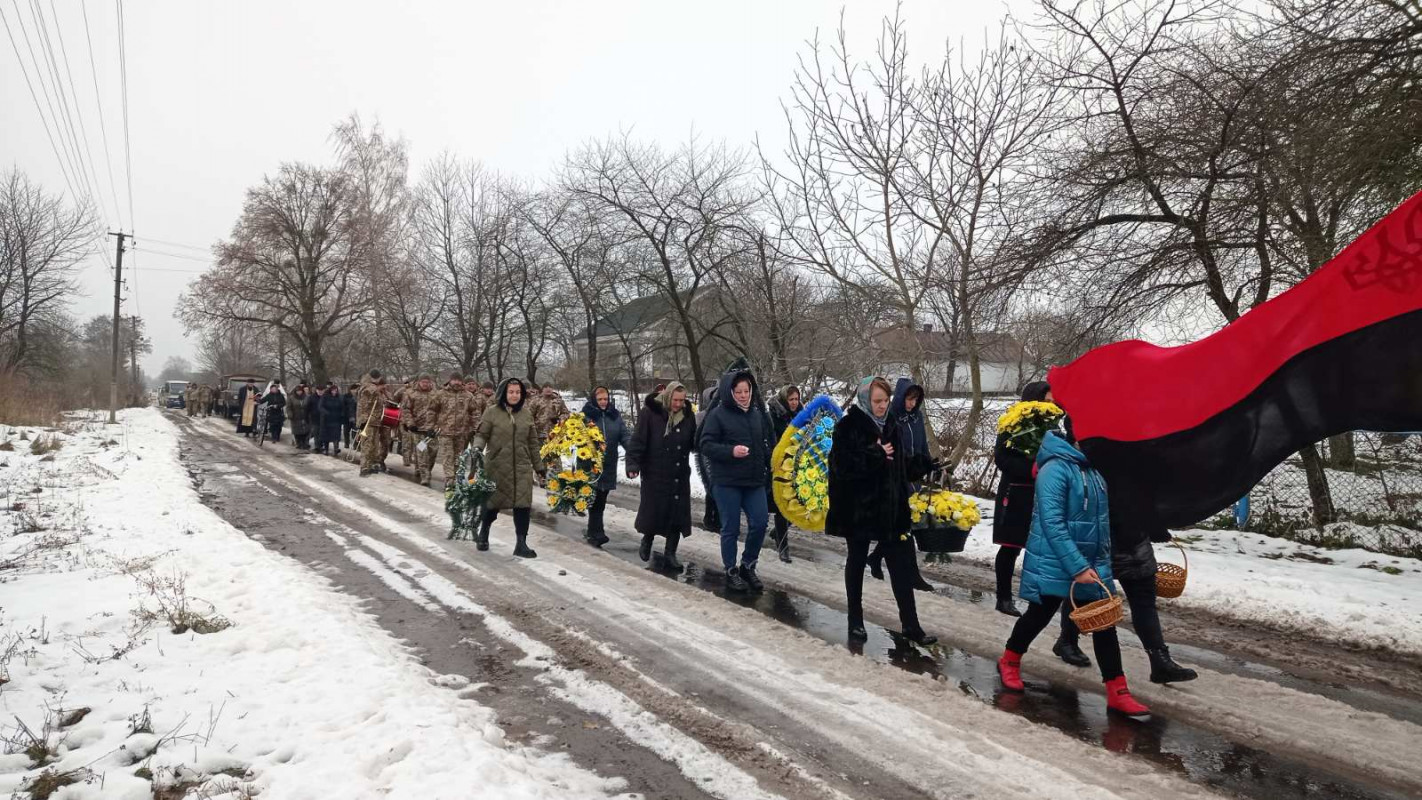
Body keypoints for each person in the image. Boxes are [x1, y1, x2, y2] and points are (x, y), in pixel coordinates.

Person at [997, 422, 1152, 720]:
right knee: (1038, 615)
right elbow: (1052, 524)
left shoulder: (1094, 470)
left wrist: (1101, 558)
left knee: (1103, 624)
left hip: (1092, 564)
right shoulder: (1054, 470)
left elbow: (1101, 520)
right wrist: (1077, 567)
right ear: (1077, 435)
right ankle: (1010, 660)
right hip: (1056, 560)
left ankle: (1117, 691)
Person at [827, 377, 940, 646]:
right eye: (877, 401)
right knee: (856, 561)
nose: (882, 406)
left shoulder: (892, 424)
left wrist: (923, 464)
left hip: (891, 508)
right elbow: (840, 466)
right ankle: (855, 620)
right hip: (859, 509)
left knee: (901, 566)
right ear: (865, 399)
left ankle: (911, 626)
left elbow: (899, 466)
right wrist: (873, 454)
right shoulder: (848, 426)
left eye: (886, 400)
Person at [992, 383, 1090, 668]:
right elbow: (1002, 457)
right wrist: (1032, 468)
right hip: (1018, 492)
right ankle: (1003, 596)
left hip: (1045, 495)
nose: (1052, 403)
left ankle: (1064, 632)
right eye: (1048, 399)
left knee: (1045, 554)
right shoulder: (1014, 423)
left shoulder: (1058, 426)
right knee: (1011, 546)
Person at [698, 366, 774, 592]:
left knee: (760, 523)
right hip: (727, 481)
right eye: (739, 391)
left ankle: (748, 566)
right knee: (730, 527)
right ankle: (731, 570)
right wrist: (731, 451)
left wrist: (772, 463)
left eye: (746, 391)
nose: (743, 395)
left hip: (753, 481)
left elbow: (764, 446)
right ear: (730, 392)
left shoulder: (757, 415)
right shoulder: (718, 415)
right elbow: (705, 445)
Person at [1108, 507, 1199, 683]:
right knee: (1089, 599)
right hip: (1103, 544)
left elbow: (1142, 500)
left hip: (1137, 547)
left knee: (1144, 604)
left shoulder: (1133, 481)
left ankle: (1160, 662)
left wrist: (1156, 527)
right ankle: (1067, 640)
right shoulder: (1099, 479)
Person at [865, 378, 939, 593]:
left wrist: (927, 463)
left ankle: (876, 557)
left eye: (915, 400)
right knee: (904, 527)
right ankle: (911, 575)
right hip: (897, 476)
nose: (911, 404)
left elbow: (922, 444)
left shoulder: (916, 417)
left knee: (906, 526)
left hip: (913, 474)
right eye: (908, 399)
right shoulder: (891, 418)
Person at [472, 378, 546, 557]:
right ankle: (484, 532)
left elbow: (533, 443)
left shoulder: (526, 414)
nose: (514, 395)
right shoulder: (491, 412)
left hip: (521, 467)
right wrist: (476, 449)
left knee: (523, 506)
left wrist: (539, 467)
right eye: (511, 392)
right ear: (504, 392)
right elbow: (482, 434)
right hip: (497, 466)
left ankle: (521, 544)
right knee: (492, 504)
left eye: (518, 392)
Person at [627, 382, 696, 569]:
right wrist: (633, 463)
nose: (678, 404)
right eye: (675, 400)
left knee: (676, 514)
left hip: (679, 473)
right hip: (655, 471)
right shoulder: (650, 413)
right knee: (654, 511)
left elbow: (693, 441)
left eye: (682, 400)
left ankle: (670, 553)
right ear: (667, 397)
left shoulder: (688, 416)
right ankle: (647, 540)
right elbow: (638, 440)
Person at [582, 386, 632, 548]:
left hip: (609, 462)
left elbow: (624, 434)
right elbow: (577, 436)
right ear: (594, 400)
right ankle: (597, 532)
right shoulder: (586, 416)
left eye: (605, 399)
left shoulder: (614, 416)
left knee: (602, 497)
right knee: (594, 498)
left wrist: (633, 448)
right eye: (600, 399)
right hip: (591, 463)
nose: (603, 402)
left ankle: (593, 530)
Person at [765, 385, 802, 564]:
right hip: (780, 466)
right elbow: (770, 440)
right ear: (784, 400)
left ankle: (777, 532)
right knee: (783, 506)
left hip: (799, 467)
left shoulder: (802, 415)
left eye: (796, 399)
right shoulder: (774, 417)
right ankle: (783, 547)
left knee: (802, 504)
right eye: (791, 399)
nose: (794, 403)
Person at [433, 374, 477, 489]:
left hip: (461, 432)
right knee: (448, 455)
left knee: (458, 457)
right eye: (454, 380)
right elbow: (432, 411)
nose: (457, 382)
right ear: (450, 380)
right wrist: (431, 426)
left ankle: (455, 477)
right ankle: (449, 478)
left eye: (459, 380)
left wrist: (477, 427)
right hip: (445, 432)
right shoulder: (441, 394)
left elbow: (475, 413)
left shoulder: (468, 396)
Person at [403, 374, 440, 486]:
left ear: (430, 382)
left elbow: (441, 410)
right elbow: (406, 410)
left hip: (431, 429)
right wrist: (410, 423)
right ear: (418, 382)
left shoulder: (436, 394)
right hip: (417, 428)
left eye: (427, 382)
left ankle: (424, 468)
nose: (425, 384)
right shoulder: (411, 394)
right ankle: (425, 476)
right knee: (421, 451)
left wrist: (437, 425)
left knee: (433, 451)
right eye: (423, 382)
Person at [357, 371, 392, 476]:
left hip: (375, 421)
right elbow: (365, 406)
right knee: (367, 445)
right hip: (368, 420)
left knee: (373, 445)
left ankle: (370, 465)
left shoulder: (371, 388)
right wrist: (363, 420)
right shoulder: (369, 388)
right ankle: (364, 467)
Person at [316, 383, 345, 456]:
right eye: (333, 390)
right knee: (326, 436)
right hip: (327, 419)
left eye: (336, 390)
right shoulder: (325, 397)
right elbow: (320, 407)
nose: (334, 392)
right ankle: (326, 449)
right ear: (330, 391)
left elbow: (342, 407)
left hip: (336, 419)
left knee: (336, 435)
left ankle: (336, 448)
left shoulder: (339, 398)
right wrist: (325, 412)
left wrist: (342, 414)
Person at [287, 384, 313, 450]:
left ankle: (306, 443)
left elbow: (310, 406)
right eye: (298, 391)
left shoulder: (307, 397)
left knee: (306, 430)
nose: (299, 392)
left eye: (300, 391)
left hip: (306, 416)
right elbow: (289, 407)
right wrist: (290, 414)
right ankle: (299, 443)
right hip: (296, 416)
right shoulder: (291, 398)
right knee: (297, 431)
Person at [343, 383, 359, 449]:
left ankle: (356, 445)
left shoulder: (359, 397)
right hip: (347, 417)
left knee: (355, 431)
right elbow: (343, 406)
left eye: (357, 389)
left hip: (356, 417)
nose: (356, 391)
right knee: (346, 431)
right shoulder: (346, 396)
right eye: (354, 389)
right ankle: (346, 443)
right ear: (351, 390)